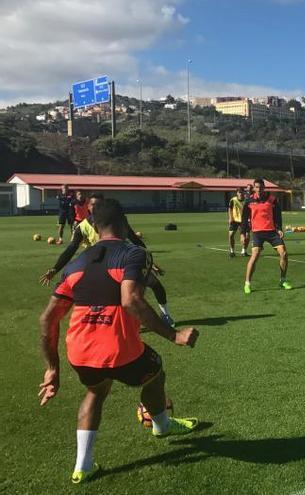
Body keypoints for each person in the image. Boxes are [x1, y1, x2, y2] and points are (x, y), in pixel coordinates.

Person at [37, 198, 199, 485]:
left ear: (95, 228)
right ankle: (162, 426)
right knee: (155, 374)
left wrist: (53, 368)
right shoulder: (134, 254)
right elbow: (131, 300)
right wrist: (174, 334)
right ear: (123, 223)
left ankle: (82, 467)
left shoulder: (76, 265)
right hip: (118, 348)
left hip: (80, 351)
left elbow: (48, 319)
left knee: (96, 392)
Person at [39, 193, 176, 327]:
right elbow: (71, 249)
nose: (96, 207)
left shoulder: (115, 221)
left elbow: (135, 239)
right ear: (88, 207)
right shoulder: (83, 227)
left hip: (122, 262)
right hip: (99, 268)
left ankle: (165, 314)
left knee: (155, 285)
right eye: (93, 204)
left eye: (99, 204)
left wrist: (149, 262)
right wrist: (55, 268)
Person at [243, 178, 291, 293]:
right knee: (255, 255)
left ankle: (283, 280)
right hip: (257, 232)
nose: (259, 189)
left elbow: (277, 216)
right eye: (257, 187)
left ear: (264, 187)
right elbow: (244, 218)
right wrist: (243, 233)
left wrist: (279, 228)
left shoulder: (272, 199)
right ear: (254, 188)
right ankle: (247, 283)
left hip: (272, 232)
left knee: (283, 253)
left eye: (261, 187)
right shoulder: (249, 201)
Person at [228, 188, 249, 257]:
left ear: (244, 193)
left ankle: (244, 251)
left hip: (244, 221)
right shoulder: (233, 200)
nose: (240, 193)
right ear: (236, 193)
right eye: (239, 192)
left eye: (242, 192)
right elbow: (230, 209)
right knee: (231, 235)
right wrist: (230, 218)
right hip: (235, 220)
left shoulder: (247, 200)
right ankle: (232, 251)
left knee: (245, 236)